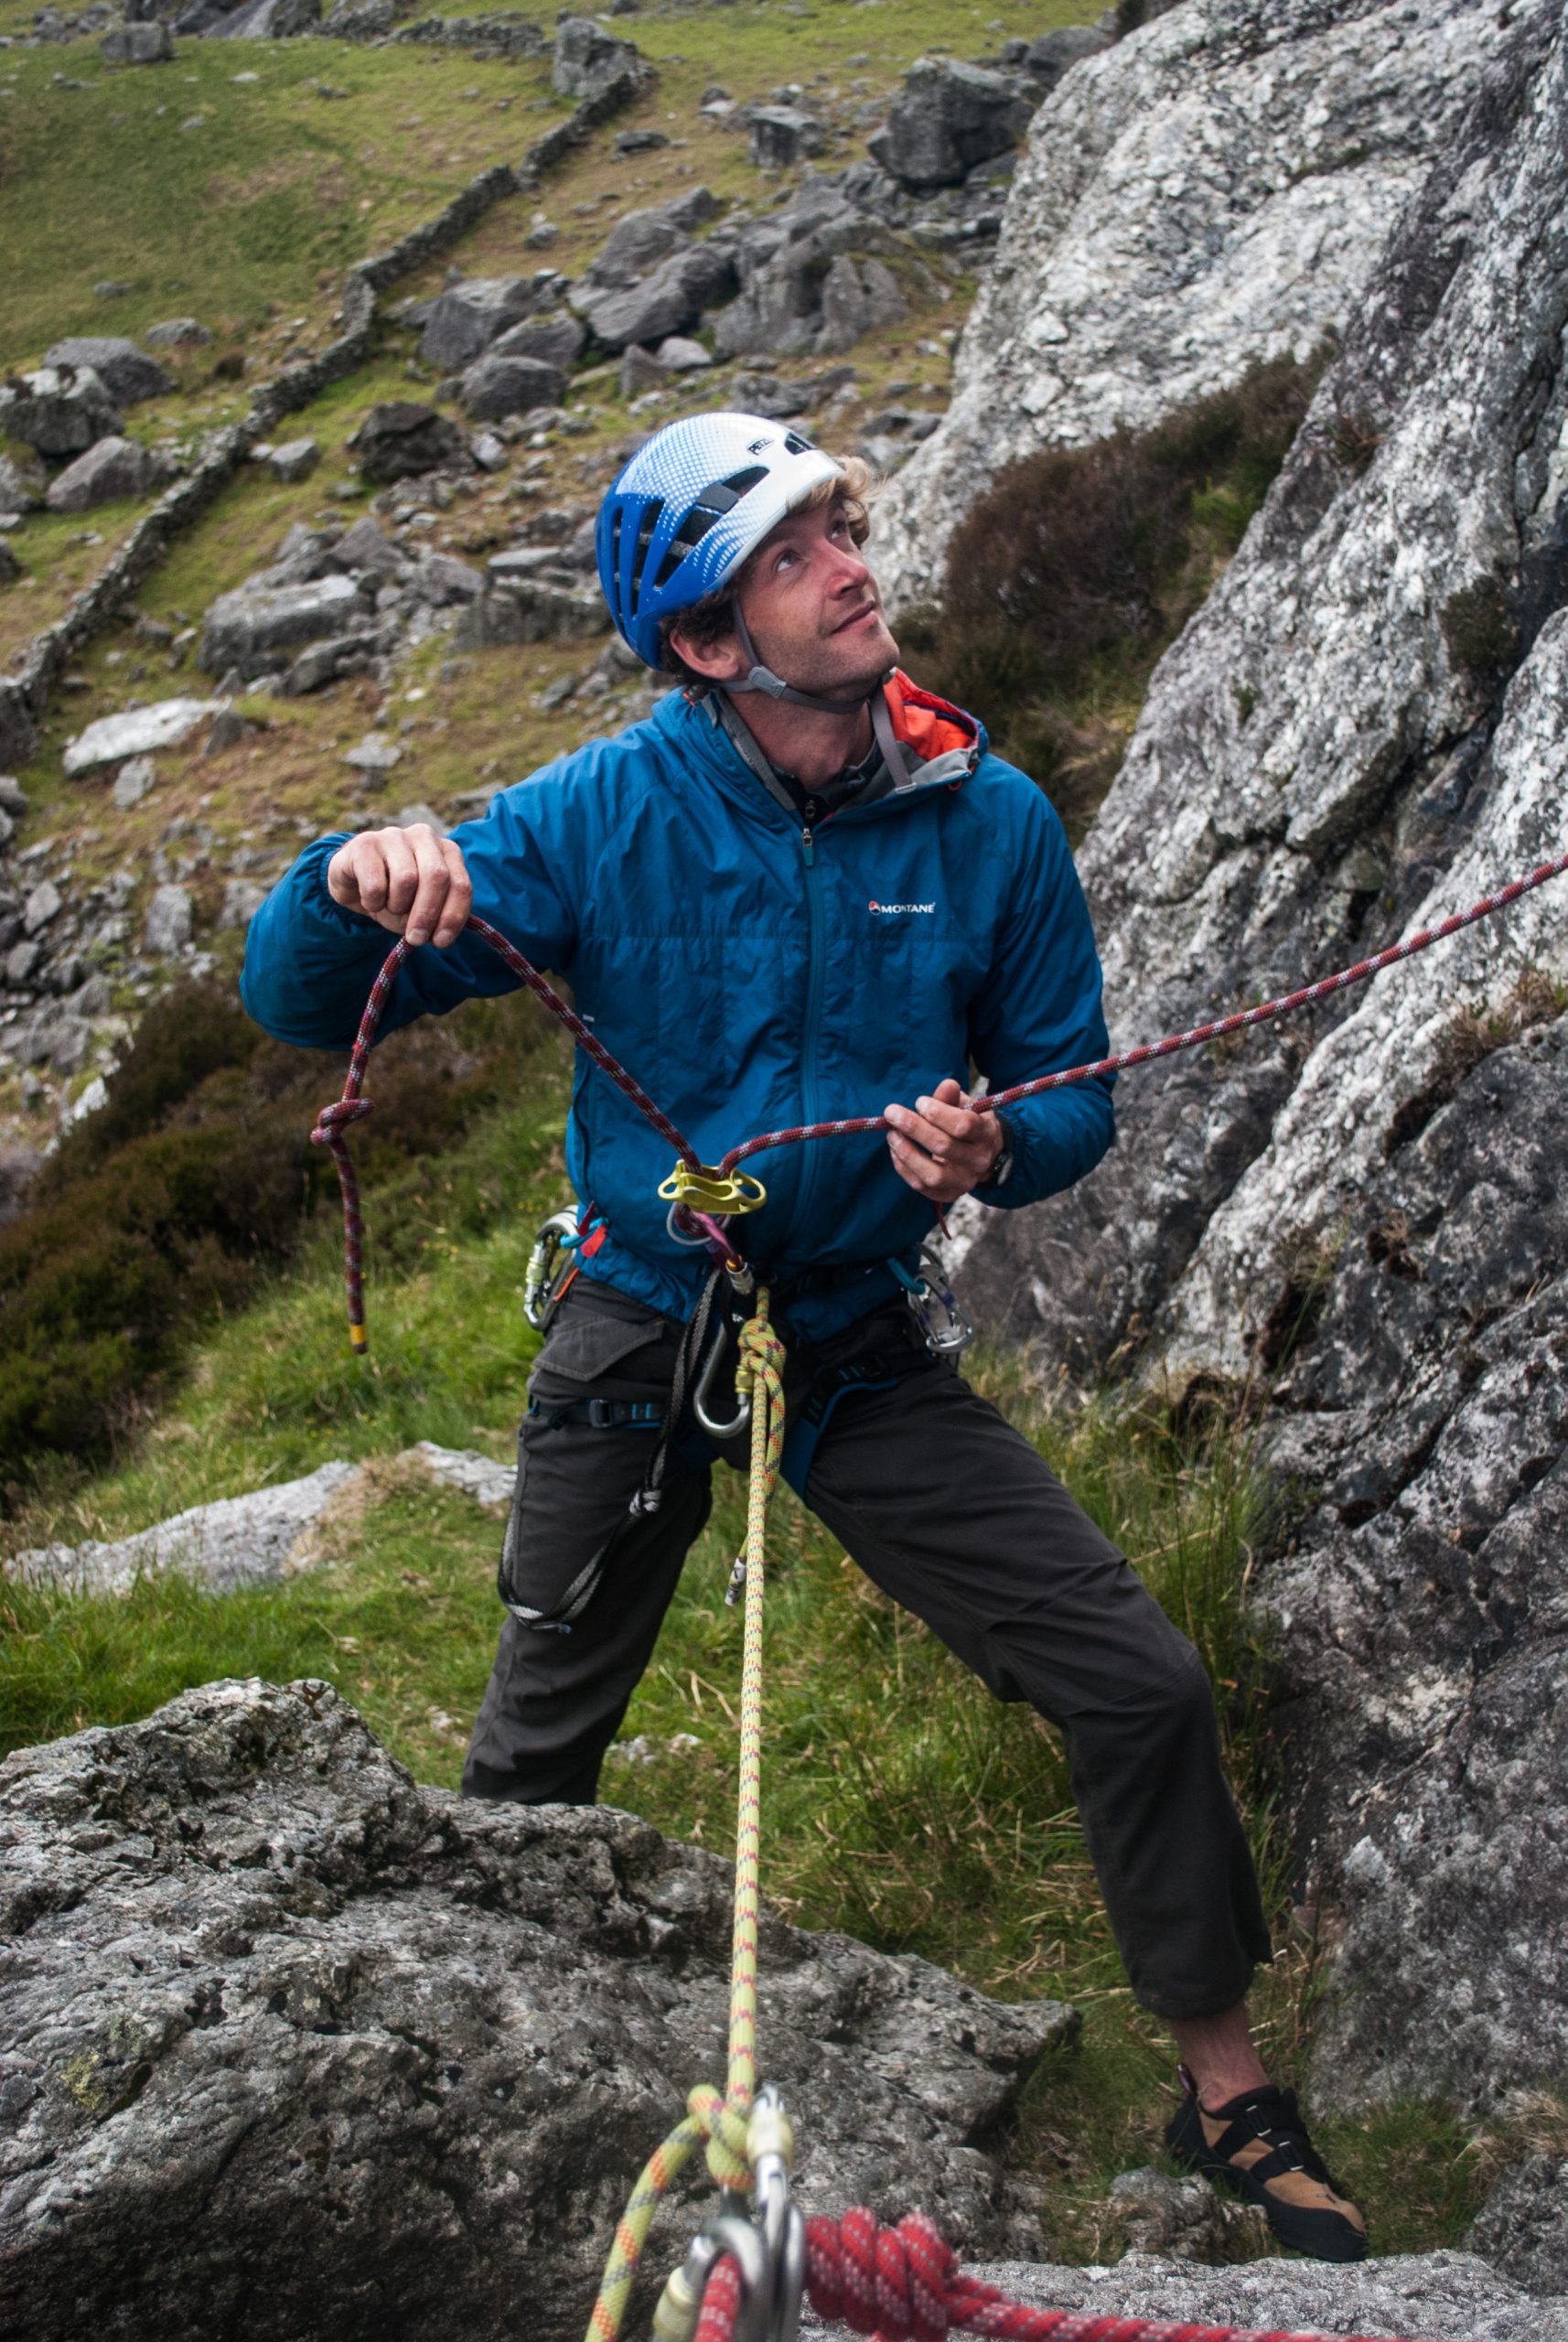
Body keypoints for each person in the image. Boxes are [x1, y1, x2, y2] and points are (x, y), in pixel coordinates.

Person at [242, 412, 1365, 2261]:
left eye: (839, 525)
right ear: (705, 641)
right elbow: (295, 1000)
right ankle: (449, 2102)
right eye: (792, 551)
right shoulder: (602, 813)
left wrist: (999, 1140)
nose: (852, 561)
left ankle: (1226, 2087)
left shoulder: (983, 817)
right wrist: (350, 876)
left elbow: (1069, 1095)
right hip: (634, 1320)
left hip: (845, 1339)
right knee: (533, 1750)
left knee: (1138, 1678)